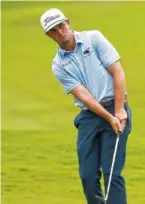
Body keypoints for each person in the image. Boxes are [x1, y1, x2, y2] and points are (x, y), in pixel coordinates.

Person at [40, 8, 132, 204]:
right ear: (48, 35)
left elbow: (118, 72)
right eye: (54, 30)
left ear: (68, 22)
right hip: (90, 116)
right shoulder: (58, 65)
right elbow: (85, 97)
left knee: (111, 173)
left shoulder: (94, 38)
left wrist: (118, 110)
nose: (60, 32)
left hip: (115, 106)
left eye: (61, 25)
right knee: (88, 176)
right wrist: (109, 118)